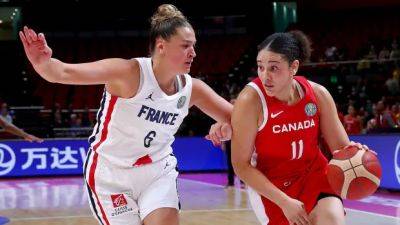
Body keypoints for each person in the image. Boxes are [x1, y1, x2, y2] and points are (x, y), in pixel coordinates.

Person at [20, 4, 232, 225]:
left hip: (157, 171)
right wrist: (42, 63)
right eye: (186, 46)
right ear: (161, 46)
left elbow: (240, 118)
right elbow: (62, 72)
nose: (193, 53)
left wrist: (225, 126)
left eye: (194, 46)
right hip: (111, 174)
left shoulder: (192, 89)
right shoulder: (128, 73)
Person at [230, 30, 369, 225]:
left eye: (273, 68)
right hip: (272, 185)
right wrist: (284, 202)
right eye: (260, 67)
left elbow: (340, 148)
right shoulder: (250, 100)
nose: (265, 76)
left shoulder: (318, 95)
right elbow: (241, 166)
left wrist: (356, 154)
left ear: (293, 66)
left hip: (314, 173)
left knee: (332, 221)